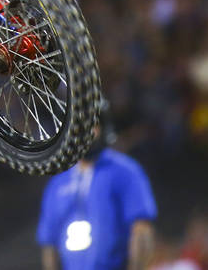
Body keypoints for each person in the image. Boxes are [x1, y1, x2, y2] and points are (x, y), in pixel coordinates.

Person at [37, 101, 157, 270]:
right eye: (76, 126)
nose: (82, 133)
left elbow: (142, 230)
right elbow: (50, 245)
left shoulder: (124, 171)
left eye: (90, 125)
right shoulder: (57, 184)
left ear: (103, 127)